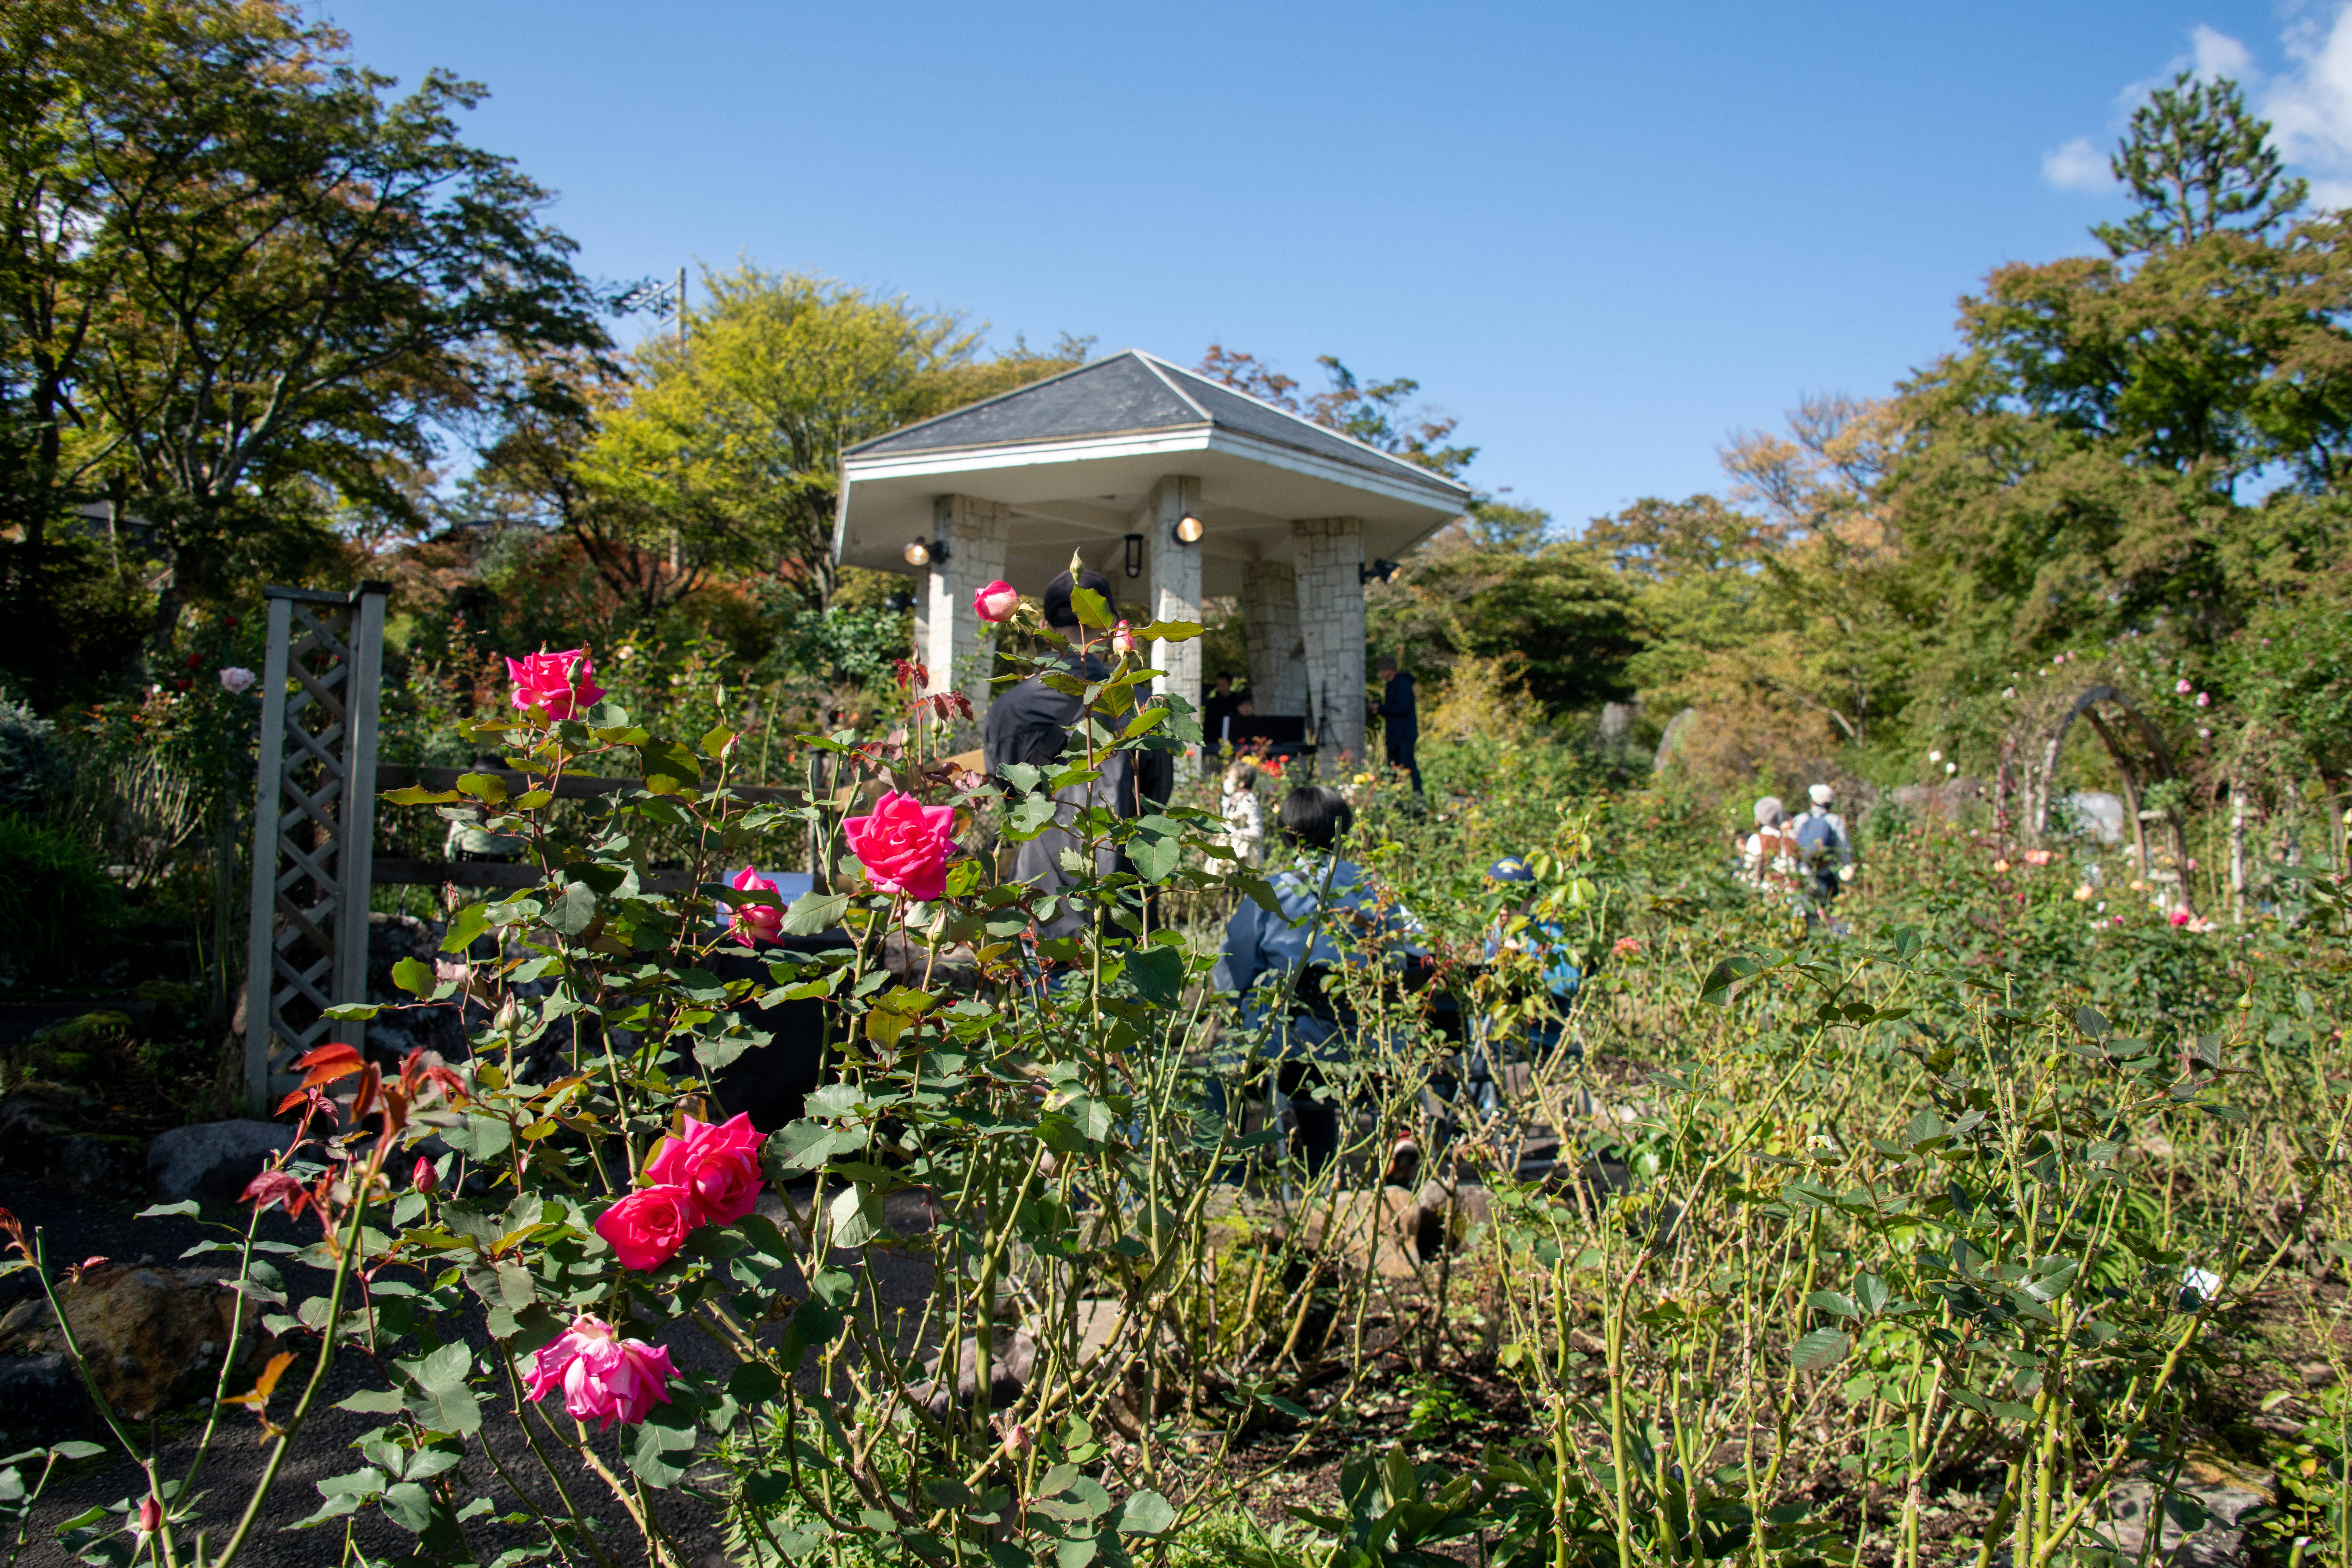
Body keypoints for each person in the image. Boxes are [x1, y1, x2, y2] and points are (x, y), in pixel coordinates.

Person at [1211, 785, 1421, 1180]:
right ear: (1347, 833)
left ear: (1288, 835)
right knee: (1318, 1045)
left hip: (1292, 1056)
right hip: (1375, 1058)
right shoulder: (1380, 893)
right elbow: (1416, 955)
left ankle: (1230, 1174)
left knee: (1224, 1067)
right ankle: (1332, 1165)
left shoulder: (1269, 893)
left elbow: (1229, 974)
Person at [982, 568, 1136, 940]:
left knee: (1043, 993)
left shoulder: (1011, 707)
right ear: (1110, 625)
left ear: (1044, 623)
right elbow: (1156, 792)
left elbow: (1009, 798)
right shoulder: (1141, 706)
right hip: (1127, 896)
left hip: (1043, 896)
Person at [1794, 783, 1855, 902]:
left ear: (1813, 801)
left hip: (1804, 873)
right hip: (1828, 873)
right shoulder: (1835, 821)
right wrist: (1848, 881)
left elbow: (1794, 847)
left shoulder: (1800, 820)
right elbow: (1844, 851)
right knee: (1829, 908)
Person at [1372, 655, 1421, 793]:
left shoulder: (1403, 684)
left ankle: (1418, 794)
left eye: (1381, 670)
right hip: (1394, 734)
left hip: (1405, 734)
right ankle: (1395, 798)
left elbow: (1403, 708)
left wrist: (1382, 708)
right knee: (1393, 767)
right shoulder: (1392, 685)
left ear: (1390, 669)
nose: (1379, 673)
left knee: (1408, 764)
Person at [1743, 797, 1802, 894]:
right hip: (1792, 893)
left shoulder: (1757, 839)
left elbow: (1749, 867)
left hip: (1768, 891)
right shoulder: (1790, 841)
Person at [1220, 763, 1265, 867]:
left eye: (1230, 778)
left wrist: (1228, 831)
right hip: (1234, 863)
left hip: (1246, 865)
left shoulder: (1248, 802)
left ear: (1242, 782)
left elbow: (1257, 833)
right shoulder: (1235, 799)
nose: (1227, 782)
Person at [1203, 672, 1239, 756]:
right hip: (1214, 743)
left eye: (1223, 685)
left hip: (1234, 743)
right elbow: (1208, 724)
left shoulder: (1237, 702)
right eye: (1219, 685)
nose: (1220, 688)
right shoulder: (1211, 703)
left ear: (1230, 685)